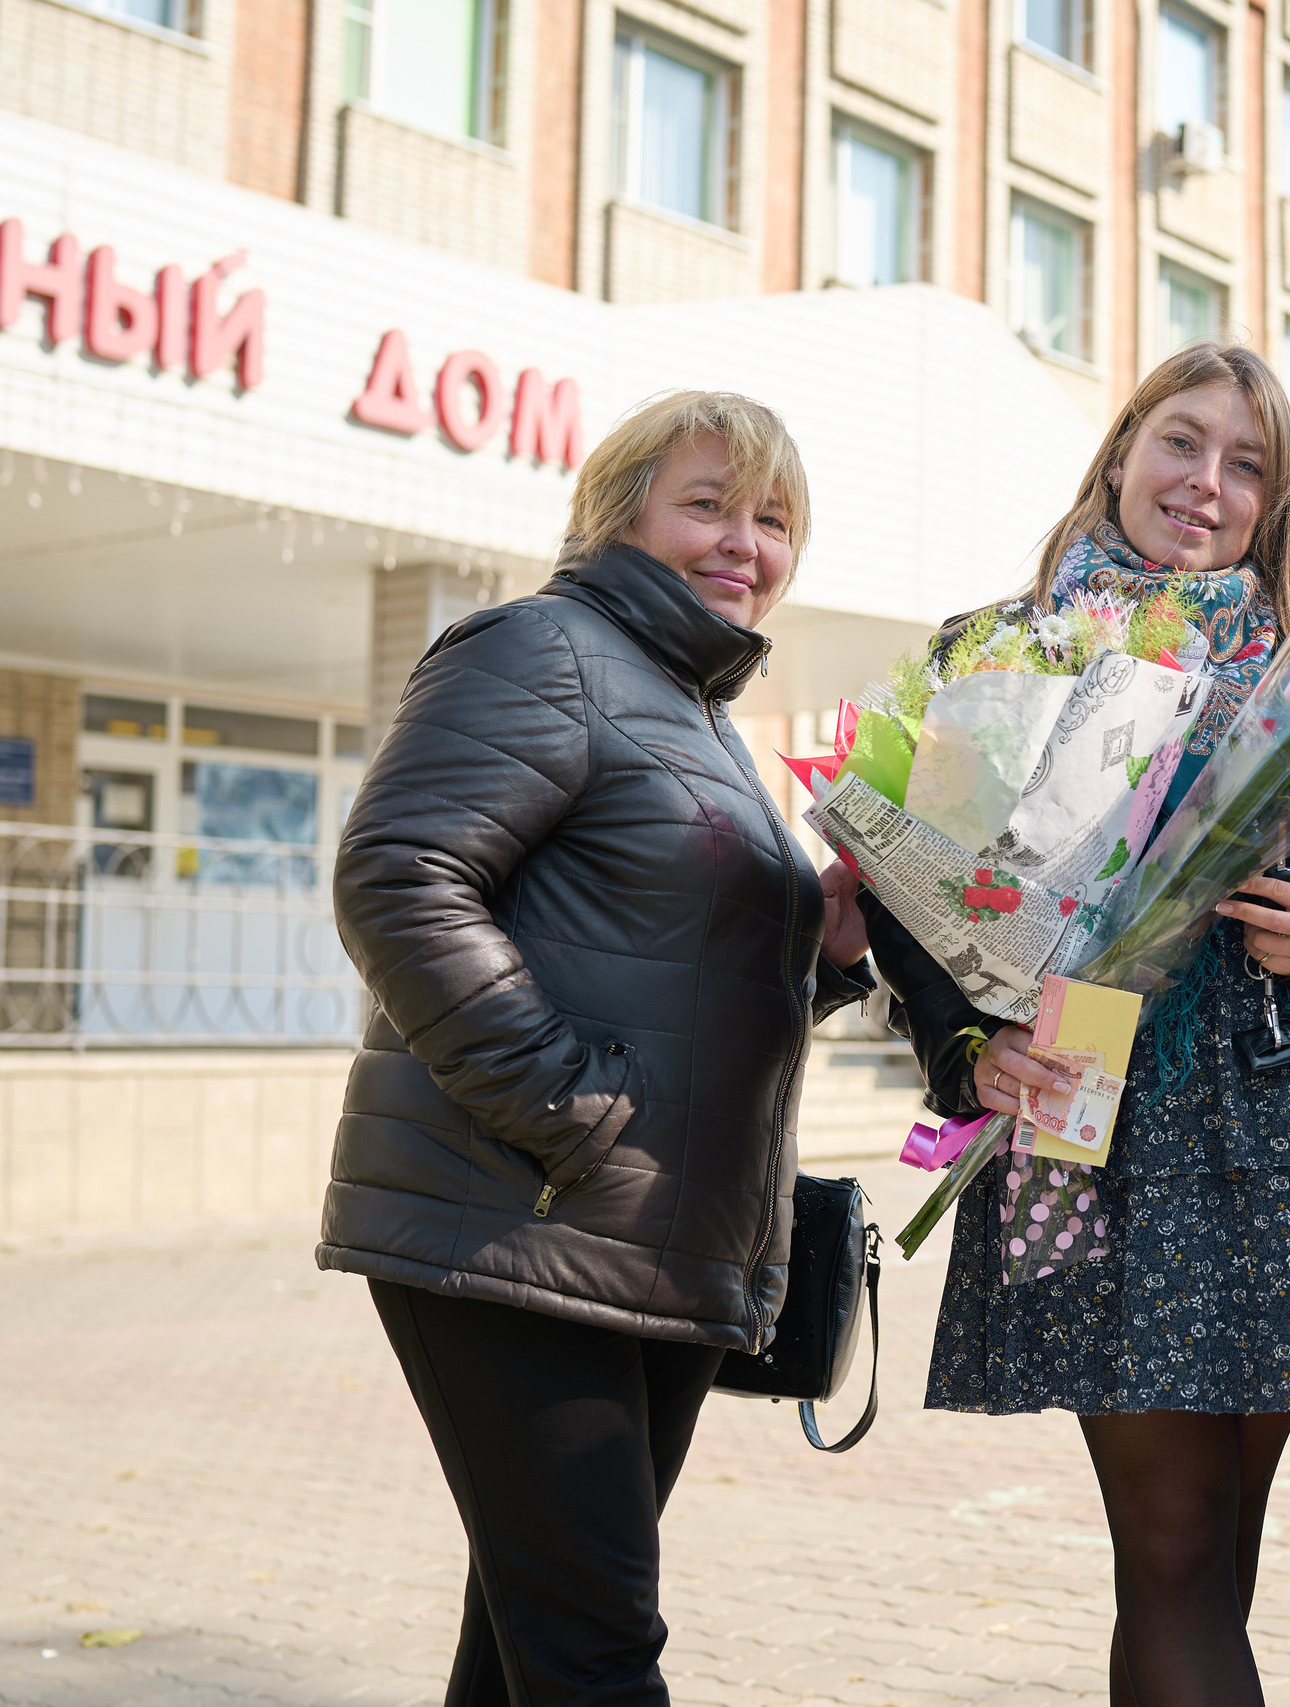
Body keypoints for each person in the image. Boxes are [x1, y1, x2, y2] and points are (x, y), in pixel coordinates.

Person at [861, 342, 1290, 1707]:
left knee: (1204, 1565)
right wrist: (966, 1046)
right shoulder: (995, 653)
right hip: (1095, 1136)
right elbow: (908, 893)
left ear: (1275, 501)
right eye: (1183, 442)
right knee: (1176, 1552)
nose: (1208, 481)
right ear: (1124, 447)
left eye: (1247, 463)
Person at [317, 391, 876, 1706]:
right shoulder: (543, 648)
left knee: (529, 1645)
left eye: (773, 519)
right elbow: (400, 874)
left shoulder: (698, 711)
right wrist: (568, 1102)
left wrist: (829, 954)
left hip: (652, 1242)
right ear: (621, 510)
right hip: (522, 1226)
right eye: (708, 504)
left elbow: (689, 980)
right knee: (597, 1653)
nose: (744, 541)